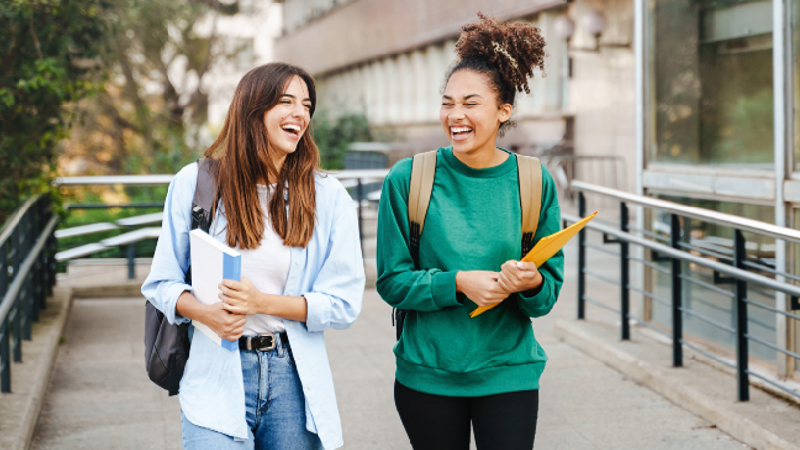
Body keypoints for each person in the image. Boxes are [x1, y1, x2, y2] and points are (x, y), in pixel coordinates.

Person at [142, 62, 365, 450]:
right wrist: (205, 312)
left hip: (292, 380)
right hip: (214, 377)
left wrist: (263, 303)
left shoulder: (327, 197)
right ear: (252, 110)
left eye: (307, 105)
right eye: (286, 101)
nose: (301, 113)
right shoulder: (196, 184)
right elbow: (161, 283)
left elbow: (344, 304)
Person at [376, 14, 561, 450]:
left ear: (503, 111)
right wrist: (458, 283)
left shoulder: (535, 182)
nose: (455, 115)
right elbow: (391, 280)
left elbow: (547, 294)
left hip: (508, 371)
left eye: (470, 103)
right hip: (428, 375)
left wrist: (531, 281)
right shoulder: (408, 179)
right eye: (447, 102)